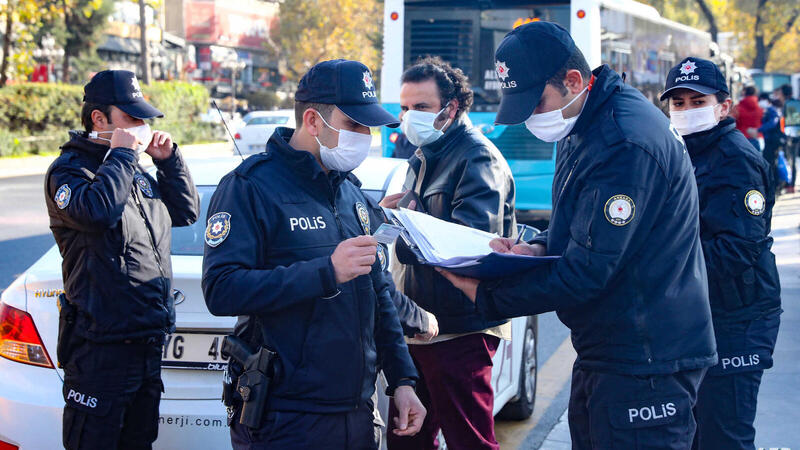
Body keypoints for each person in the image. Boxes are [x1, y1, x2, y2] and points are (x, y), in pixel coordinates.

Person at [438, 22, 717, 448]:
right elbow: (584, 223)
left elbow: (588, 271)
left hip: (645, 359)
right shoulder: (585, 119)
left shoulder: (623, 141)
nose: (531, 116)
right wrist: (537, 247)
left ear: (572, 81)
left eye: (536, 102)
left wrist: (487, 297)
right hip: (612, 349)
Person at [201, 59, 426, 449]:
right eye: (354, 124)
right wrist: (326, 272)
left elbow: (379, 295)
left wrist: (402, 381)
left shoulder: (352, 195)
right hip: (285, 419)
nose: (365, 136)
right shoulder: (250, 187)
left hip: (357, 414)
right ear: (312, 121)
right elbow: (221, 290)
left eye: (368, 127)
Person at [44, 69, 200, 450]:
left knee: (139, 442)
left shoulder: (132, 169)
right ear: (99, 119)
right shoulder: (69, 172)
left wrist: (169, 162)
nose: (141, 126)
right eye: (131, 118)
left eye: (143, 118)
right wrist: (123, 154)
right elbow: (97, 212)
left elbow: (186, 212)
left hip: (146, 344)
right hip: (100, 351)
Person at [382, 56, 516, 450]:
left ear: (451, 108)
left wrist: (408, 219)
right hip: (418, 323)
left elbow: (469, 245)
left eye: (421, 107)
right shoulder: (423, 155)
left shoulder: (477, 157)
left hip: (460, 327)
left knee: (468, 440)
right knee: (407, 438)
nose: (409, 117)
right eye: (404, 107)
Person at [660, 56, 782, 450]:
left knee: (724, 435)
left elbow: (739, 247)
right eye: (678, 103)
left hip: (737, 317)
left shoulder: (735, 159)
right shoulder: (682, 151)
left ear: (723, 106)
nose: (687, 110)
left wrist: (664, 269)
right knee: (695, 434)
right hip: (701, 314)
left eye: (698, 102)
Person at [759, 92, 784, 192]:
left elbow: (772, 123)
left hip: (772, 142)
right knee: (772, 163)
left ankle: (775, 186)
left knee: (771, 163)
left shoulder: (771, 110)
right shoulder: (769, 110)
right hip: (771, 141)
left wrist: (759, 129)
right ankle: (775, 186)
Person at [733, 85, 763, 150]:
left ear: (744, 93)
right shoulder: (761, 108)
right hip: (756, 138)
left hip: (741, 139)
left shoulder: (737, 108)